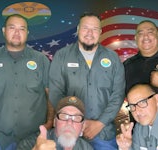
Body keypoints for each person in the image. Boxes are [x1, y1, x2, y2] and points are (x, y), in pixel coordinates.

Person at [49, 12, 125, 150]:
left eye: (95, 29)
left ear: (100, 32)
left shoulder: (112, 58)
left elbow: (118, 95)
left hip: (104, 134)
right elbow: (55, 92)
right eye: (85, 28)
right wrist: (73, 121)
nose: (90, 33)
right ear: (78, 30)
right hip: (69, 134)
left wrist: (100, 123)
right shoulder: (62, 56)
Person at [0, 14, 54, 150]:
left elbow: (51, 93)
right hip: (0, 138)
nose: (17, 33)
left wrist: (50, 122)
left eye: (22, 29)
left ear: (27, 33)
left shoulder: (41, 60)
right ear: (4, 31)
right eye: (12, 28)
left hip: (33, 138)